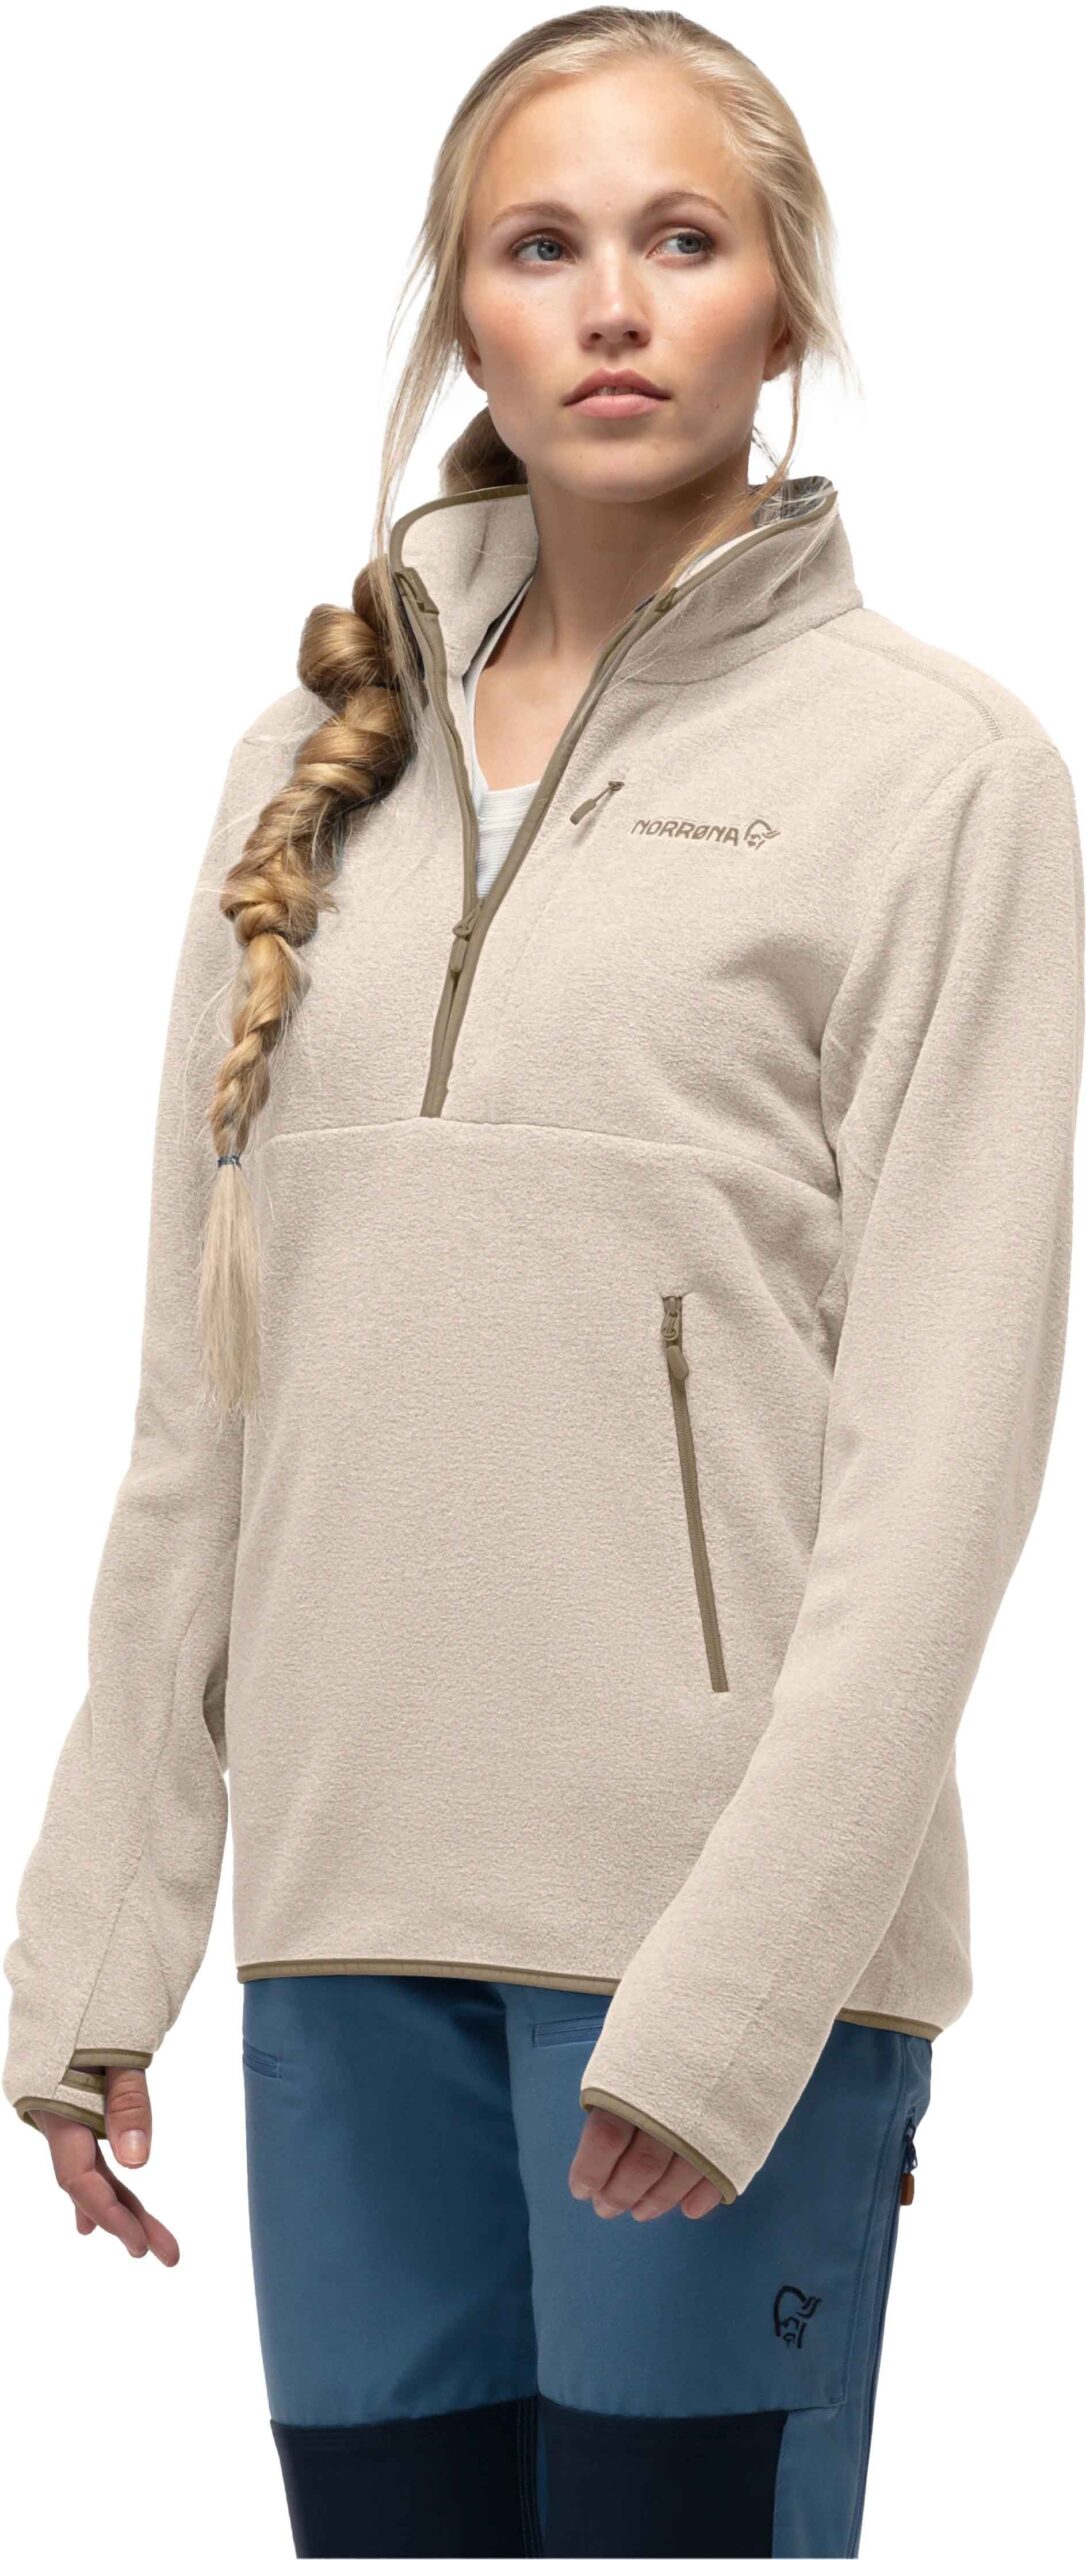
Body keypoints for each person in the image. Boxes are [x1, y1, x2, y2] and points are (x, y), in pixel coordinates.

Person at [4, 9, 1082, 2557]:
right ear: (463, 313)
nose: (613, 302)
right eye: (543, 245)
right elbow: (200, 1404)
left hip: (711, 1960)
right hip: (342, 1932)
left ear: (781, 304)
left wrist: (744, 1989)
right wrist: (97, 1938)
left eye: (682, 240)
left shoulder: (938, 779)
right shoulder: (305, 774)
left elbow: (945, 1457)